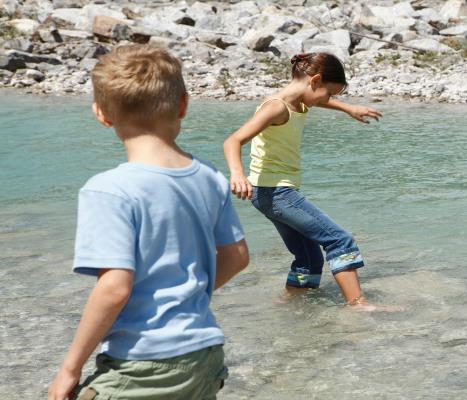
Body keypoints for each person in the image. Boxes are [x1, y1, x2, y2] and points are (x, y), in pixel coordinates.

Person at [48, 44, 249, 400]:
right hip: (204, 353)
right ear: (184, 105)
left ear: (101, 114)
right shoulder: (209, 177)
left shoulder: (108, 190)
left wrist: (70, 368)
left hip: (143, 362)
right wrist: (187, 296)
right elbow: (237, 257)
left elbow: (114, 289)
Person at [223, 52, 381, 310]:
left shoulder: (299, 101)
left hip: (268, 194)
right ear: (315, 80)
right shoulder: (276, 107)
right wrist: (238, 174)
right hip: (277, 193)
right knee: (339, 241)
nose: (330, 99)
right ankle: (358, 303)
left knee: (308, 257)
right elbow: (232, 141)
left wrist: (349, 108)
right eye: (330, 93)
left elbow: (318, 101)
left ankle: (289, 305)